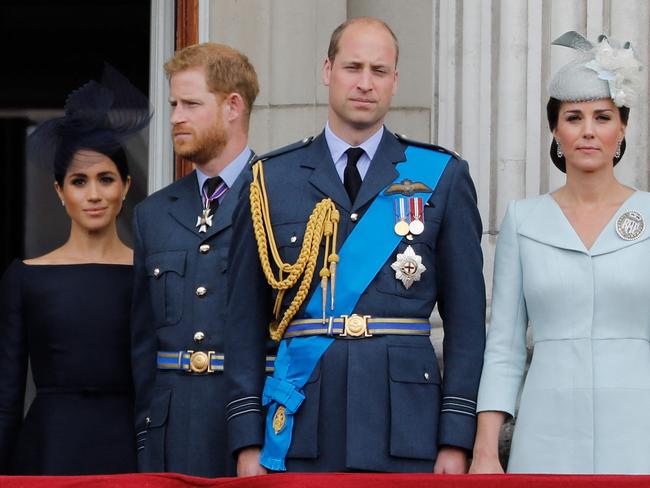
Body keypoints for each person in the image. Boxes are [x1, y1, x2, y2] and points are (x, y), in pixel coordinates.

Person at [225, 17, 485, 475]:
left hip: (406, 428)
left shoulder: (441, 176)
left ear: (395, 81)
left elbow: (466, 323)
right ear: (328, 70)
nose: (365, 83)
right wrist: (247, 440)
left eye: (379, 71)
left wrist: (456, 438)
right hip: (300, 427)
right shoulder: (271, 179)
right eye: (353, 67)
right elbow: (243, 321)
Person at [470, 31, 647, 474]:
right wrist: (486, 451)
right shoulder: (523, 220)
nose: (588, 131)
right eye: (574, 117)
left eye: (602, 117)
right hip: (545, 435)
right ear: (555, 129)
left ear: (622, 126)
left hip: (638, 430)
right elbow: (505, 348)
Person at [131, 42, 272, 477]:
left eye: (190, 103)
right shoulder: (152, 213)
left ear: (233, 106)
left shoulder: (281, 196)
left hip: (255, 431)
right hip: (170, 434)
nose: (175, 116)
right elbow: (142, 344)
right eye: (174, 103)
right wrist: (145, 436)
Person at [0, 65, 150, 475]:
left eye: (106, 178)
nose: (95, 194)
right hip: (48, 452)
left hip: (130, 452)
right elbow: (6, 395)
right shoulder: (25, 277)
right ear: (59, 191)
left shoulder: (148, 274)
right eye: (79, 181)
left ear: (124, 186)